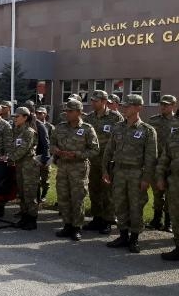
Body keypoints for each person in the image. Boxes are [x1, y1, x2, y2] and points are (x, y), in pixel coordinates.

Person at [102, 94, 157, 253]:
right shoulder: (118, 127)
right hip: (119, 172)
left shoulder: (147, 130)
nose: (125, 108)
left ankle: (134, 238)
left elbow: (151, 157)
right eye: (124, 106)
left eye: (128, 106)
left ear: (138, 107)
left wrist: (146, 178)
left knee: (136, 206)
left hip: (136, 173)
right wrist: (105, 170)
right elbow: (109, 150)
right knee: (120, 204)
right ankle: (123, 235)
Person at [50, 99, 99, 241]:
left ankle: (77, 227)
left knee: (77, 198)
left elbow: (95, 150)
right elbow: (52, 144)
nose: (67, 113)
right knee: (63, 197)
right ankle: (67, 225)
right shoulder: (60, 127)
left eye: (70, 111)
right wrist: (55, 150)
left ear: (79, 112)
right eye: (66, 111)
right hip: (63, 167)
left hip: (79, 168)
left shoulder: (87, 129)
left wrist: (77, 154)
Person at [83, 90, 124, 234]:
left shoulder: (115, 117)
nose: (93, 103)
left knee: (108, 192)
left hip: (108, 162)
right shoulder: (89, 118)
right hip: (93, 160)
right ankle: (97, 218)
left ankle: (108, 220)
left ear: (104, 102)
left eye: (96, 101)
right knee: (94, 190)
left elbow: (120, 139)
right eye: (92, 101)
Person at [147, 94, 179, 231]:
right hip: (157, 162)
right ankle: (156, 219)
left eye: (166, 104)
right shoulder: (153, 121)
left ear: (173, 105)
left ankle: (168, 222)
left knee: (171, 193)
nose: (163, 106)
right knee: (157, 192)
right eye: (162, 104)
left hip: (172, 163)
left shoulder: (177, 121)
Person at [9, 106, 40, 230]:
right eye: (14, 117)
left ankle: (32, 219)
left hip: (29, 166)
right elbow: (13, 147)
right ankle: (24, 217)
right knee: (21, 193)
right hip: (20, 165)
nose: (15, 119)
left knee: (29, 194)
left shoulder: (29, 132)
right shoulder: (17, 130)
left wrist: (9, 158)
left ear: (25, 117)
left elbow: (23, 150)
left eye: (17, 117)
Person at [156, 127, 179, 260]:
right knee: (176, 216)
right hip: (175, 183)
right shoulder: (174, 136)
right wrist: (160, 178)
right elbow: (164, 160)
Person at [35, 106, 55, 203]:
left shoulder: (50, 127)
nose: (38, 115)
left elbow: (52, 142)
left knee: (45, 178)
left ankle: (44, 195)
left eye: (40, 113)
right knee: (36, 178)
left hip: (46, 155)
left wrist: (49, 156)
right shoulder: (34, 125)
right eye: (37, 113)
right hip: (36, 155)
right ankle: (37, 197)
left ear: (45, 114)